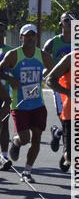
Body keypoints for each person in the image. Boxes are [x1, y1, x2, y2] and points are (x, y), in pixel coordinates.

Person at [1, 24, 53, 182]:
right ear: (21, 37)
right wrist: (11, 79)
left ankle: (27, 172)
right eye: (27, 35)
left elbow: (54, 71)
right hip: (20, 104)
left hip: (38, 103)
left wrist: (46, 75)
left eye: (33, 35)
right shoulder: (13, 55)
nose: (30, 38)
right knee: (25, 138)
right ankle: (16, 142)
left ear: (36, 38)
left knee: (37, 137)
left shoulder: (42, 55)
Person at [43, 12, 74, 154]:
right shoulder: (53, 42)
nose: (70, 22)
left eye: (72, 20)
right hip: (58, 85)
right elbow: (41, 57)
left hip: (75, 84)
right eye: (66, 20)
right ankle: (66, 152)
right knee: (64, 118)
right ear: (60, 24)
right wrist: (45, 70)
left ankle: (57, 133)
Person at [0, 22, 11, 169]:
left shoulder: (10, 51)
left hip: (5, 93)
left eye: (2, 31)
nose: (0, 33)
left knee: (5, 123)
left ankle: (4, 155)